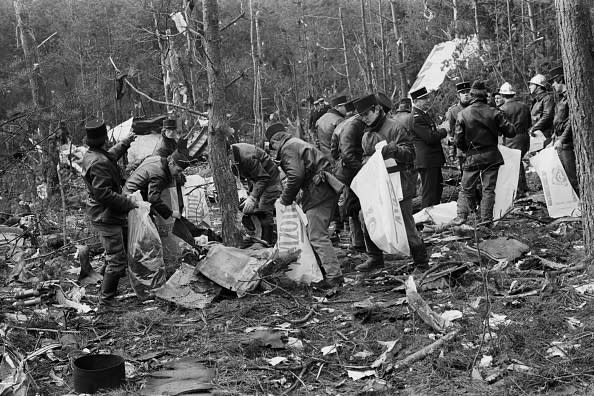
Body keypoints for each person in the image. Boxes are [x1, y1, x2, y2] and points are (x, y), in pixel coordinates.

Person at [352, 94, 429, 272]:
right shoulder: (367, 134)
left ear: (377, 109)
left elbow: (410, 154)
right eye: (361, 116)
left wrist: (393, 150)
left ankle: (421, 261)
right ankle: (375, 258)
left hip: (400, 182)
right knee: (365, 216)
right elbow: (364, 156)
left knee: (404, 221)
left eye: (366, 114)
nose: (364, 119)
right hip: (378, 183)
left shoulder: (396, 127)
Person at [266, 123, 344, 288]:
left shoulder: (288, 148)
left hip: (318, 191)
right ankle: (327, 269)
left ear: (274, 142)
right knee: (316, 233)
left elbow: (296, 176)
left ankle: (334, 276)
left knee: (317, 235)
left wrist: (284, 200)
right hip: (323, 188)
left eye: (272, 146)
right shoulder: (295, 143)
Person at [81, 119, 137, 304]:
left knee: (116, 254)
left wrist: (126, 142)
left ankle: (102, 284)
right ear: (104, 139)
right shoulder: (98, 162)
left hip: (106, 213)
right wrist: (128, 203)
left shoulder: (94, 155)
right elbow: (103, 194)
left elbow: (109, 156)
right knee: (117, 259)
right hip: (105, 215)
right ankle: (106, 301)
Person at [453, 81, 517, 225]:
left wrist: (467, 150)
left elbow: (458, 140)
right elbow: (511, 131)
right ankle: (485, 221)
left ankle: (470, 215)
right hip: (491, 156)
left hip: (472, 156)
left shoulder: (462, 114)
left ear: (472, 96)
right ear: (486, 96)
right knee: (488, 189)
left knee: (466, 188)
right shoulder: (494, 112)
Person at [229, 142, 282, 244]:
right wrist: (250, 194)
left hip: (270, 179)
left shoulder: (248, 157)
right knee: (246, 208)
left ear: (230, 152)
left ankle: (267, 242)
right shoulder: (233, 157)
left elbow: (263, 178)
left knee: (264, 209)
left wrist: (253, 197)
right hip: (256, 179)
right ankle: (257, 234)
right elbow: (248, 176)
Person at [333, 100, 366, 253]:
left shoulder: (342, 124)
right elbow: (347, 154)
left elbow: (334, 151)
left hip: (343, 169)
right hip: (350, 171)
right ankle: (358, 243)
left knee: (351, 206)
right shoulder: (355, 125)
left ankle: (356, 240)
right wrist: (363, 169)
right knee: (354, 206)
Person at [123, 151, 191, 220]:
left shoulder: (157, 158)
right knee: (145, 226)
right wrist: (171, 213)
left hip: (129, 189)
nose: (178, 174)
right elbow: (153, 198)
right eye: (178, 170)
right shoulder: (160, 174)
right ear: (171, 163)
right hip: (132, 198)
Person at [410, 87, 448, 208]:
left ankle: (433, 217)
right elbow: (430, 137)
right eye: (423, 99)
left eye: (426, 97)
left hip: (432, 159)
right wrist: (444, 130)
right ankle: (425, 220)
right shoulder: (417, 117)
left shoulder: (422, 114)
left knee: (437, 189)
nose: (427, 100)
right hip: (427, 160)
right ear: (416, 101)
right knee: (430, 193)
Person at [549, 66, 579, 196]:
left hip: (567, 144)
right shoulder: (562, 98)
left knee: (572, 177)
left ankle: (582, 205)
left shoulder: (570, 98)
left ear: (560, 79)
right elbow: (559, 121)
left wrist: (561, 139)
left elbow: (572, 121)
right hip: (561, 141)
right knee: (566, 177)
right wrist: (554, 138)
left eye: (554, 82)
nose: (553, 85)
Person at [499, 82, 532, 197]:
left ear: (503, 95)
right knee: (518, 163)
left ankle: (519, 191)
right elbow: (529, 123)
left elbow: (501, 128)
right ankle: (522, 189)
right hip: (524, 137)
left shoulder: (502, 109)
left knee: (513, 164)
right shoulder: (524, 106)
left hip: (511, 139)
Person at [445, 82, 472, 169]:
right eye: (463, 93)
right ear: (458, 95)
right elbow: (452, 133)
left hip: (477, 148)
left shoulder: (476, 107)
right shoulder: (453, 111)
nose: (466, 95)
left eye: (467, 92)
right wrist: (451, 153)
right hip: (462, 150)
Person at [528, 74, 555, 147]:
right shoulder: (536, 100)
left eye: (531, 84)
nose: (529, 86)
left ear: (539, 86)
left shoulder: (548, 98)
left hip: (545, 134)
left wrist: (534, 128)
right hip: (536, 134)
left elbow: (547, 115)